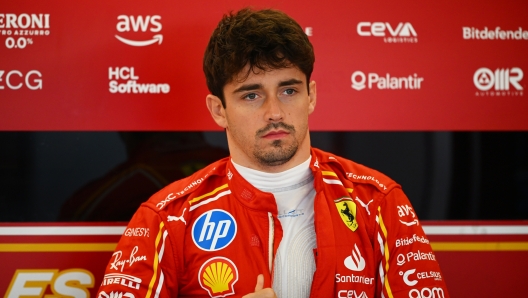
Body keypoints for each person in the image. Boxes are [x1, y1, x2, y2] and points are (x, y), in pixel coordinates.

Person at [96, 8, 449, 298]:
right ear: (218, 110)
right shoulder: (168, 217)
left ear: (310, 95)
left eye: (288, 91)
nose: (274, 112)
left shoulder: (378, 201)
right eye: (251, 95)